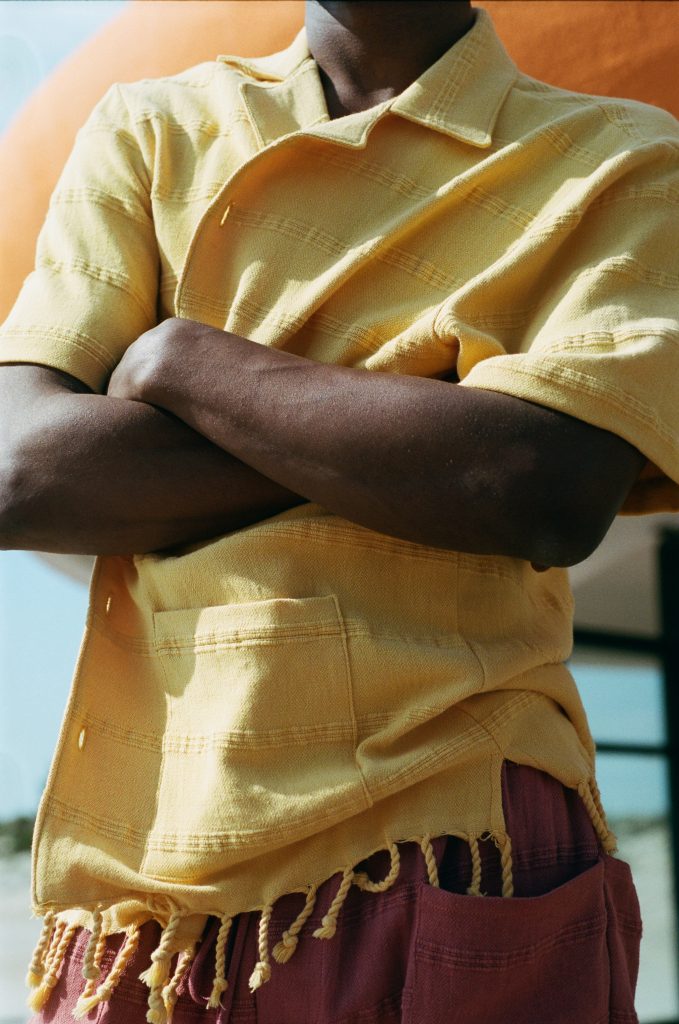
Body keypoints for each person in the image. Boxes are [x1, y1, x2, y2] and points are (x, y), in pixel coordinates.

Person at [1, 1, 677, 1020]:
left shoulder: (621, 156)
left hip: (459, 832)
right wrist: (429, 433)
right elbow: (23, 469)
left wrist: (186, 360)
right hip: (147, 885)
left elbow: (541, 486)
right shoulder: (152, 128)